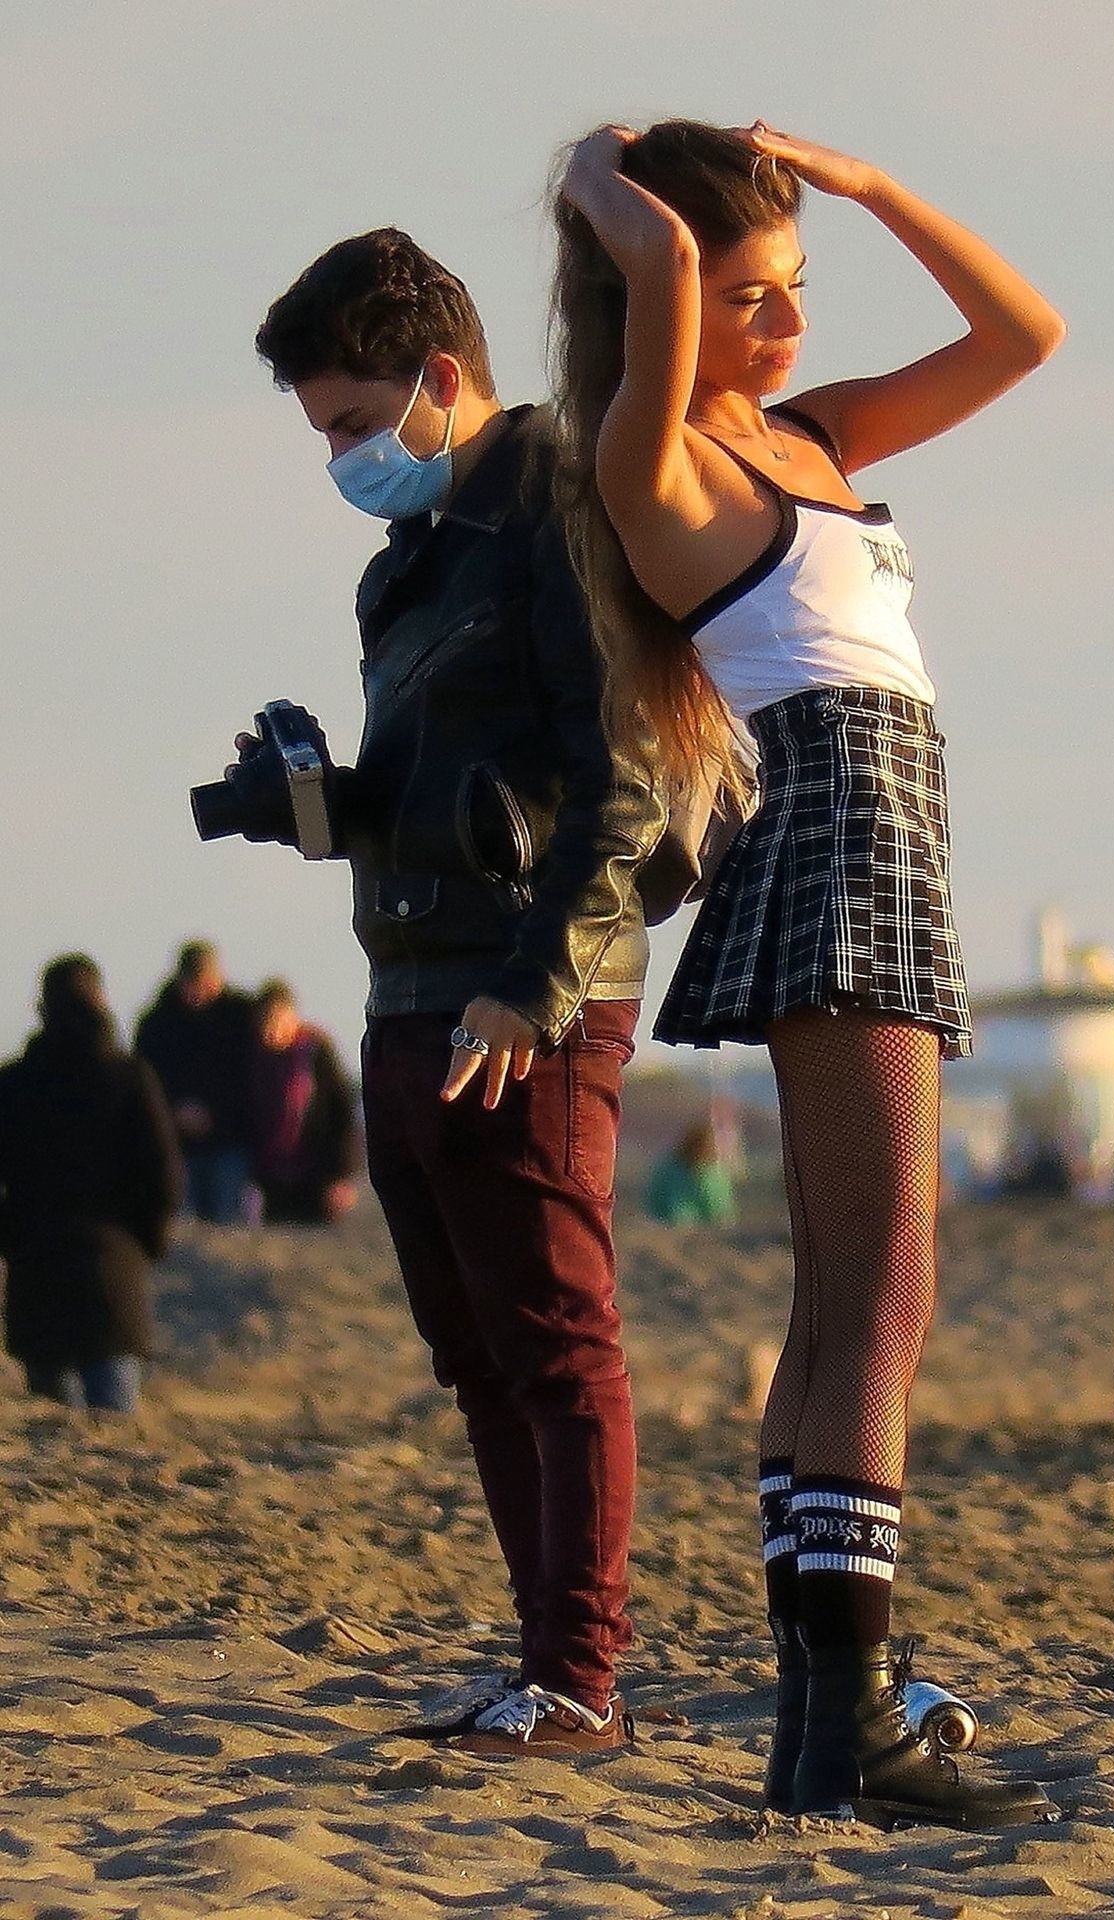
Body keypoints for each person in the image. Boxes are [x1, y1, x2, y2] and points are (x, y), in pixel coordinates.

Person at [553, 118, 1066, 1826]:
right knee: (888, 1291)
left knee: (848, 1292)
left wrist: (870, 185)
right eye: (748, 296)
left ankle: (819, 1718)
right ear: (663, 296)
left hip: (884, 833)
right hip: (839, 832)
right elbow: (651, 257)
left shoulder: (814, 436)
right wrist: (595, 175)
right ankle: (854, 1718)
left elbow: (1023, 335)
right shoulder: (654, 460)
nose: (784, 323)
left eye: (797, 287)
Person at [234, 228, 667, 1751]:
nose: (343, 460)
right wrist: (312, 805)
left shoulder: (557, 510)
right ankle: (545, 1663)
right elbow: (452, 781)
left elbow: (626, 776)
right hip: (410, 988)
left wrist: (535, 988)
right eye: (324, 435)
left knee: (556, 1341)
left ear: (439, 375)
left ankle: (581, 1678)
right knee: (478, 1357)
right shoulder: (407, 564)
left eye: (356, 422)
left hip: (520, 1002)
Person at [0, 956, 183, 1412]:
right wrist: (146, 1242)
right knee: (115, 1430)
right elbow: (164, 1176)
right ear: (101, 1001)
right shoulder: (129, 1077)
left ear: (41, 1007)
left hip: (37, 1270)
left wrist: (11, 1238)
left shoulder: (15, 1083)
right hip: (113, 1267)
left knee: (50, 1431)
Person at [135, 941, 258, 1224]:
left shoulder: (242, 1017)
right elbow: (144, 1079)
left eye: (204, 982)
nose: (197, 991)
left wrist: (215, 1111)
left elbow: (253, 1078)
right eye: (191, 983)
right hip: (176, 1145)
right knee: (182, 1227)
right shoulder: (156, 1023)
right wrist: (175, 1110)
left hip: (231, 1141)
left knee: (230, 1226)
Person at [250, 980, 360, 1225]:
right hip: (267, 1177)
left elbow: (342, 1116)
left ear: (292, 1016)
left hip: (316, 1176)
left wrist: (342, 1176)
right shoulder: (254, 1059)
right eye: (264, 1023)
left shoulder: (316, 1052)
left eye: (276, 1021)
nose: (270, 1031)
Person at [645, 1117, 737, 1225]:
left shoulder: (714, 1175)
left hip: (706, 1229)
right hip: (670, 1226)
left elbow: (721, 1211)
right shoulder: (670, 1170)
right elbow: (657, 1202)